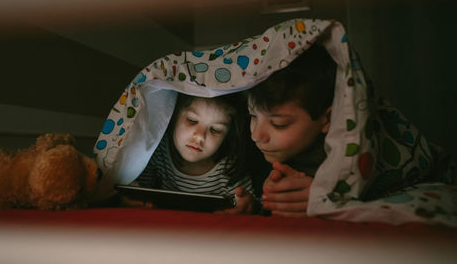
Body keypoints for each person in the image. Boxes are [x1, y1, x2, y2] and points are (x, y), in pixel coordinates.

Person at [122, 92, 256, 214]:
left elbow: (252, 206)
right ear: (173, 117)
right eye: (192, 121)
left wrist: (248, 207)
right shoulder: (159, 150)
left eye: (215, 130)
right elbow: (141, 190)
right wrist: (133, 200)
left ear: (227, 136)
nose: (200, 137)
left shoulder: (230, 168)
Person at [246, 44, 337, 217]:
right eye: (253, 115)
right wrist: (253, 206)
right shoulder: (254, 156)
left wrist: (329, 201)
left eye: (279, 124)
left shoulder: (349, 160)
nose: (256, 136)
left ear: (327, 120)